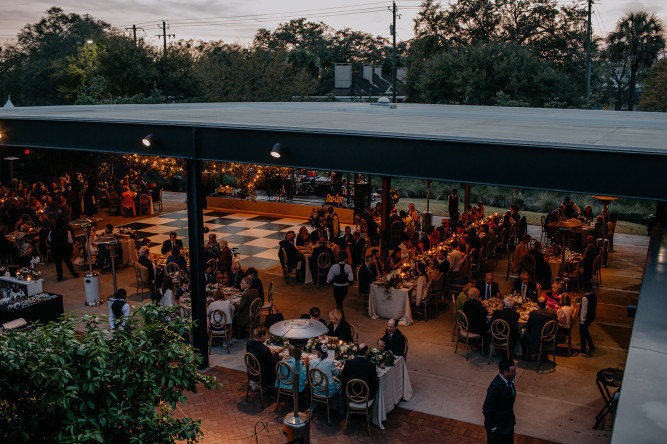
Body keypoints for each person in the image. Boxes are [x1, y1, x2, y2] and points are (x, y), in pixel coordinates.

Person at [483, 359, 517, 444]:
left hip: (507, 424)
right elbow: (487, 409)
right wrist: (493, 427)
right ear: (505, 373)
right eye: (513, 371)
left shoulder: (508, 381)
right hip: (498, 429)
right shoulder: (495, 387)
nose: (516, 372)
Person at [327, 252, 354, 316]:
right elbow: (351, 279)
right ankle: (339, 317)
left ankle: (340, 318)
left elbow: (329, 278)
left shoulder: (334, 267)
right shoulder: (348, 267)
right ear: (346, 259)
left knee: (339, 303)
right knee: (339, 303)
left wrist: (328, 281)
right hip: (345, 289)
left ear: (338, 258)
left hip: (336, 288)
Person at [580, 282, 597, 355]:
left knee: (583, 332)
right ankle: (591, 345)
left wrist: (582, 321)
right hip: (592, 316)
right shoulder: (593, 295)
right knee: (585, 331)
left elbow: (584, 311)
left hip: (586, 318)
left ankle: (584, 348)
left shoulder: (585, 298)